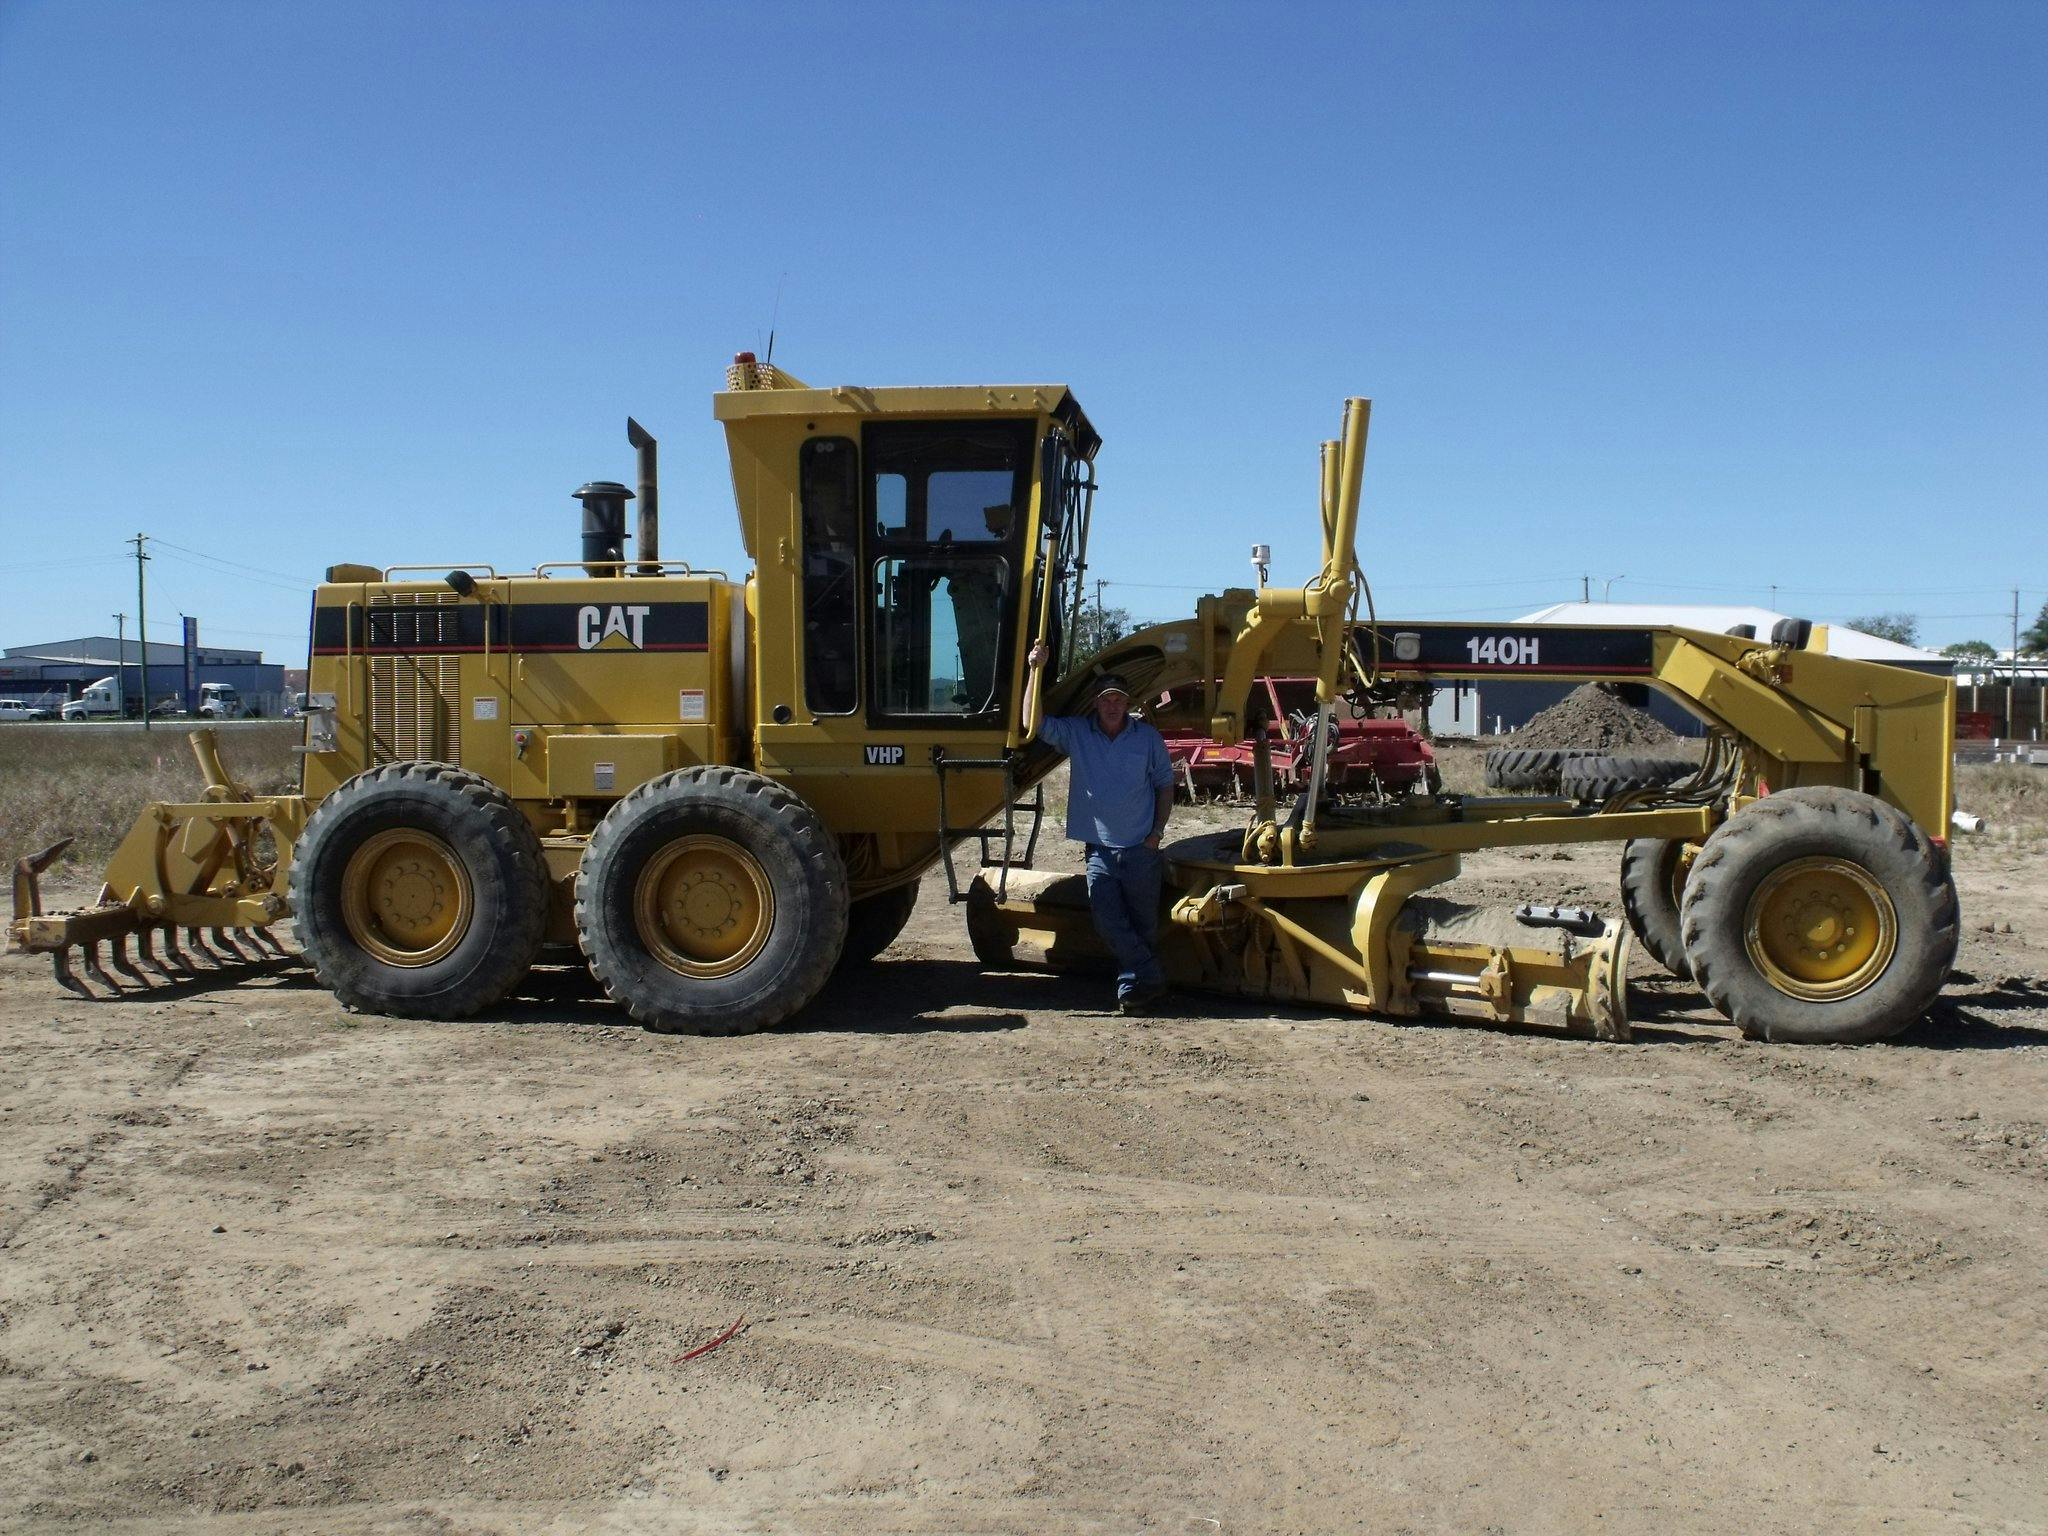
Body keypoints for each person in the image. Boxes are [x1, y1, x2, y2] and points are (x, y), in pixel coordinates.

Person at [1024, 640, 1175, 1013]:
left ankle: (1134, 991)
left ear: (1128, 703)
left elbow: (1165, 786)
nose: (1112, 706)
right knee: (1109, 923)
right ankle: (1150, 976)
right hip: (1100, 853)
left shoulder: (1147, 739)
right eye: (1106, 699)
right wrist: (1034, 669)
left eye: (1119, 700)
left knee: (1142, 928)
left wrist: (1156, 833)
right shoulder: (1078, 734)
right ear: (1096, 702)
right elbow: (1033, 722)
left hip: (1141, 849)